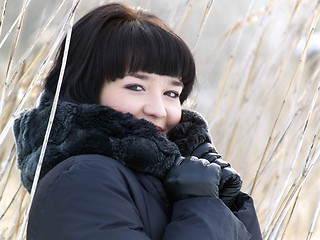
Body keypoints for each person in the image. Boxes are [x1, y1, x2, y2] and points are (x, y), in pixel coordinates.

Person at [13, 3, 262, 240]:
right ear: (85, 90)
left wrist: (227, 202)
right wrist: (201, 204)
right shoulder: (81, 180)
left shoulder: (170, 176)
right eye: (135, 87)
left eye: (171, 93)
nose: (158, 110)